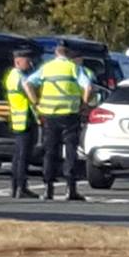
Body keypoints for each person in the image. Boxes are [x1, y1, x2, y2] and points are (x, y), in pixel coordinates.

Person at [26, 41, 87, 201]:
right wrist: (84, 104)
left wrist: (36, 102)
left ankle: (48, 189)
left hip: (49, 115)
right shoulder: (73, 68)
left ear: (56, 53)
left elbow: (27, 83)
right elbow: (89, 87)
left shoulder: (47, 68)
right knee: (70, 151)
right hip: (69, 115)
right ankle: (70, 188)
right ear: (68, 53)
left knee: (50, 152)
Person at [2, 44, 41, 200]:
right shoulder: (18, 76)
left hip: (21, 119)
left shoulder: (14, 75)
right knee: (22, 156)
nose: (30, 64)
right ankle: (20, 187)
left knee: (19, 156)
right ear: (18, 61)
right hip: (23, 119)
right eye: (27, 61)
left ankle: (17, 187)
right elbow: (28, 89)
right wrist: (37, 101)